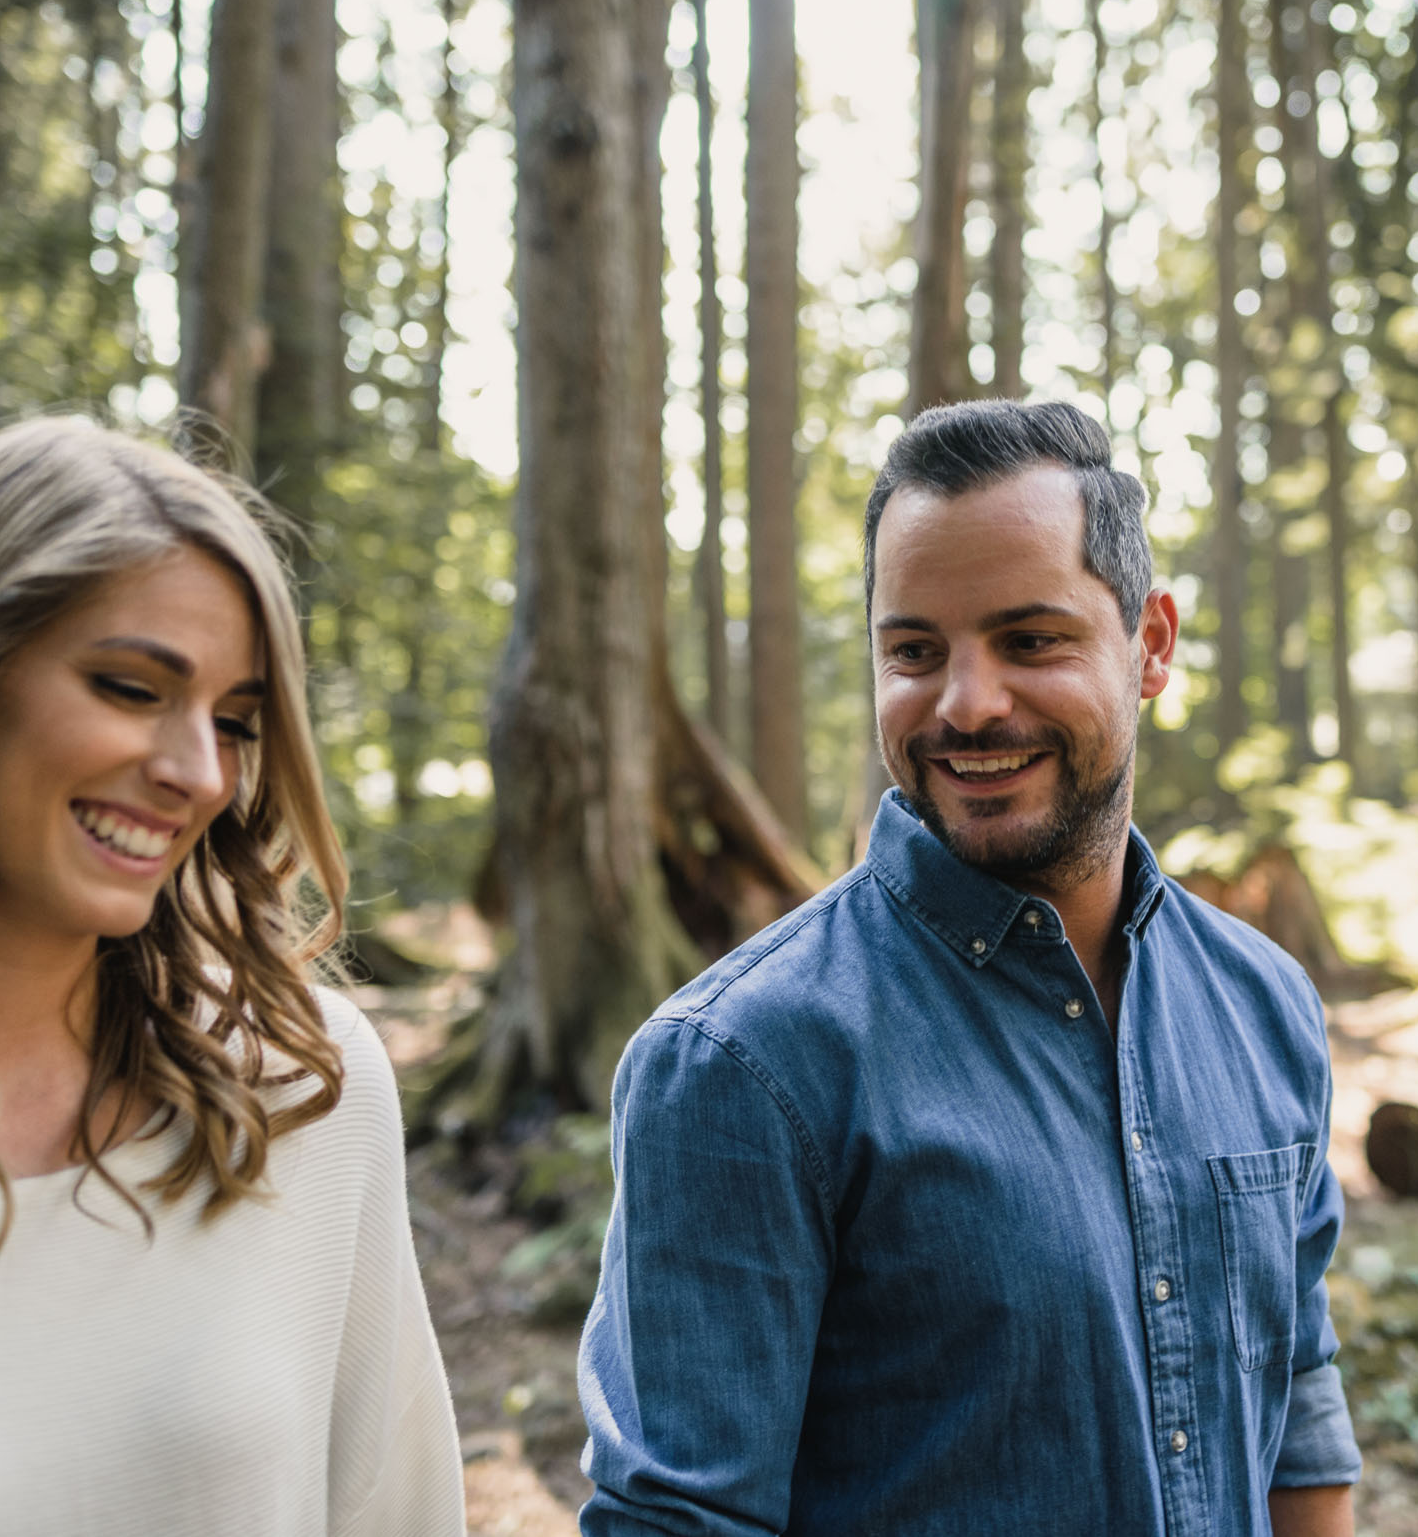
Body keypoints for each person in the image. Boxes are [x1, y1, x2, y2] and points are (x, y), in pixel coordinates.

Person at [577, 400, 1361, 1536]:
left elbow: (1295, 1396)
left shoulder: (1264, 1003)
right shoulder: (745, 1061)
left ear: (1149, 644)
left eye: (1029, 639)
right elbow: (677, 1522)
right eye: (914, 651)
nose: (966, 703)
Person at [0, 417, 464, 1536]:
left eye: (234, 722)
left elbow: (398, 1513)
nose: (197, 773)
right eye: (127, 687)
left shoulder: (308, 1092)